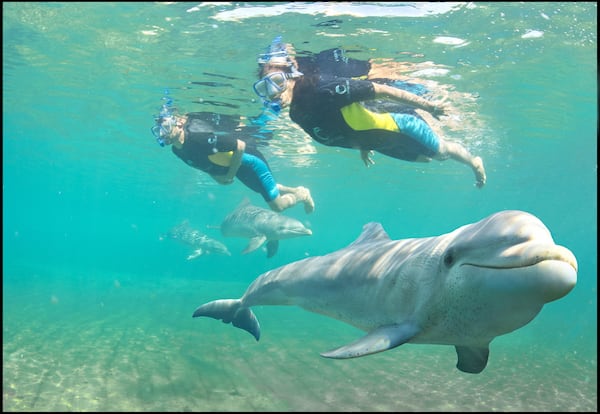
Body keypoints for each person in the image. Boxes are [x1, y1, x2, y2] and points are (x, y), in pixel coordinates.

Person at [252, 37, 487, 188]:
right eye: (264, 87)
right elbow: (340, 125)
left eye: (276, 81)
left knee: (441, 152)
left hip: (398, 124)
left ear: (292, 75)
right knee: (423, 159)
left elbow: (382, 90)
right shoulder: (296, 114)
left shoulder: (324, 88)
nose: (273, 93)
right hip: (379, 143)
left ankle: (474, 162)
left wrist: (428, 106)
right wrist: (362, 146)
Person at [151, 97, 315, 213]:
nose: (162, 133)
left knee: (277, 206)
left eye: (165, 127)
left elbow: (240, 146)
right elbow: (200, 163)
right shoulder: (177, 150)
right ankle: (295, 189)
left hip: (250, 162)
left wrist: (229, 175)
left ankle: (301, 195)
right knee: (261, 188)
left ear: (179, 122)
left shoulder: (199, 137)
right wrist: (217, 177)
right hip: (237, 168)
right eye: (158, 130)